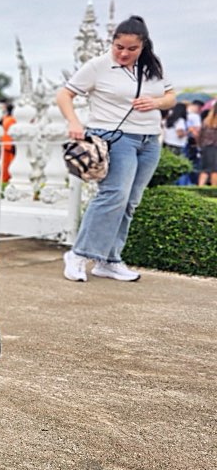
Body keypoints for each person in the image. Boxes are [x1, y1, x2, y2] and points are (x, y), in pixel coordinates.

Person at [56, 16, 175, 282]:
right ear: (113, 42)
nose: (123, 53)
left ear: (143, 45)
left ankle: (109, 260)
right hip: (116, 138)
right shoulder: (98, 65)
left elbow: (171, 97)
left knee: (130, 201)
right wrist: (74, 121)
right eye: (118, 46)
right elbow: (64, 94)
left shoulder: (153, 67)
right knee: (113, 196)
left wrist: (155, 103)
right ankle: (78, 254)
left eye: (131, 48)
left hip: (149, 141)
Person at [197, 107, 217, 187]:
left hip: (205, 147)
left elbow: (200, 135)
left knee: (205, 169)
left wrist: (200, 146)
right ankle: (214, 189)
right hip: (214, 147)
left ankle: (200, 187)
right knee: (215, 170)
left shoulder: (206, 121)